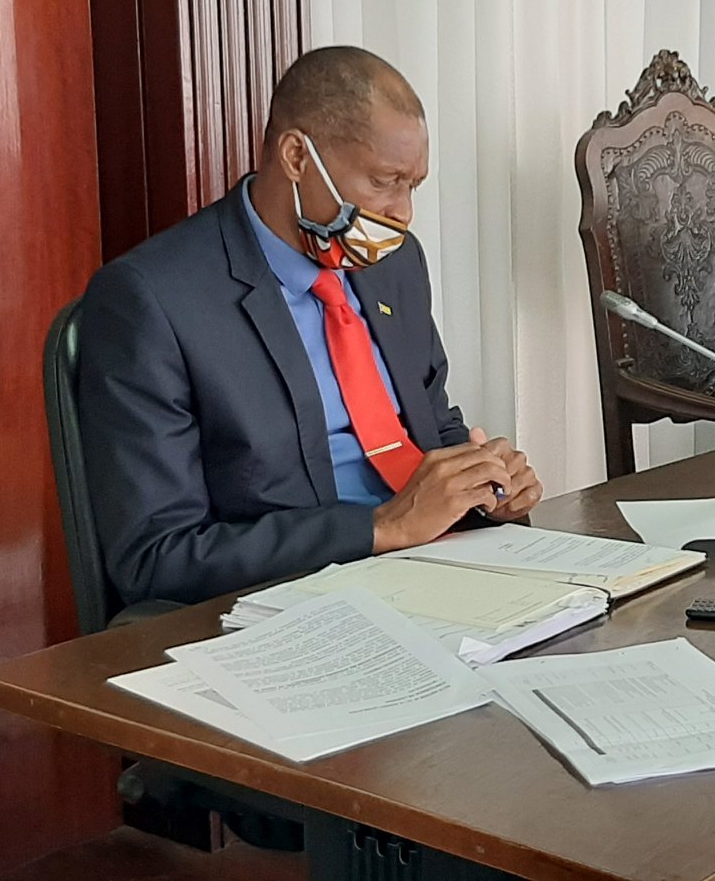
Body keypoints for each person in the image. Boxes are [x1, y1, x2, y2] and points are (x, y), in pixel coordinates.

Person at [75, 46, 542, 607]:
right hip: (297, 600)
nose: (403, 213)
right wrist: (381, 528)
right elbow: (156, 557)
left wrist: (486, 486)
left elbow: (432, 427)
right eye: (384, 181)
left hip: (440, 572)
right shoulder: (151, 300)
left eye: (412, 185)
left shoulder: (394, 264)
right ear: (297, 156)